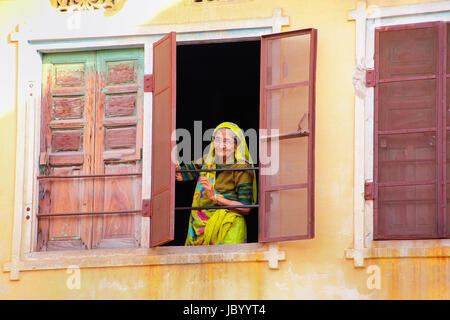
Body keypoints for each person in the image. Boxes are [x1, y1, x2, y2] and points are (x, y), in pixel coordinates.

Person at [176, 122, 257, 246]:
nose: (221, 145)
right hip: (202, 225)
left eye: (227, 141)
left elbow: (245, 208)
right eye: (217, 140)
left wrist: (215, 198)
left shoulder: (242, 168)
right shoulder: (207, 161)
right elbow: (180, 174)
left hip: (229, 224)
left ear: (236, 146)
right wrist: (173, 165)